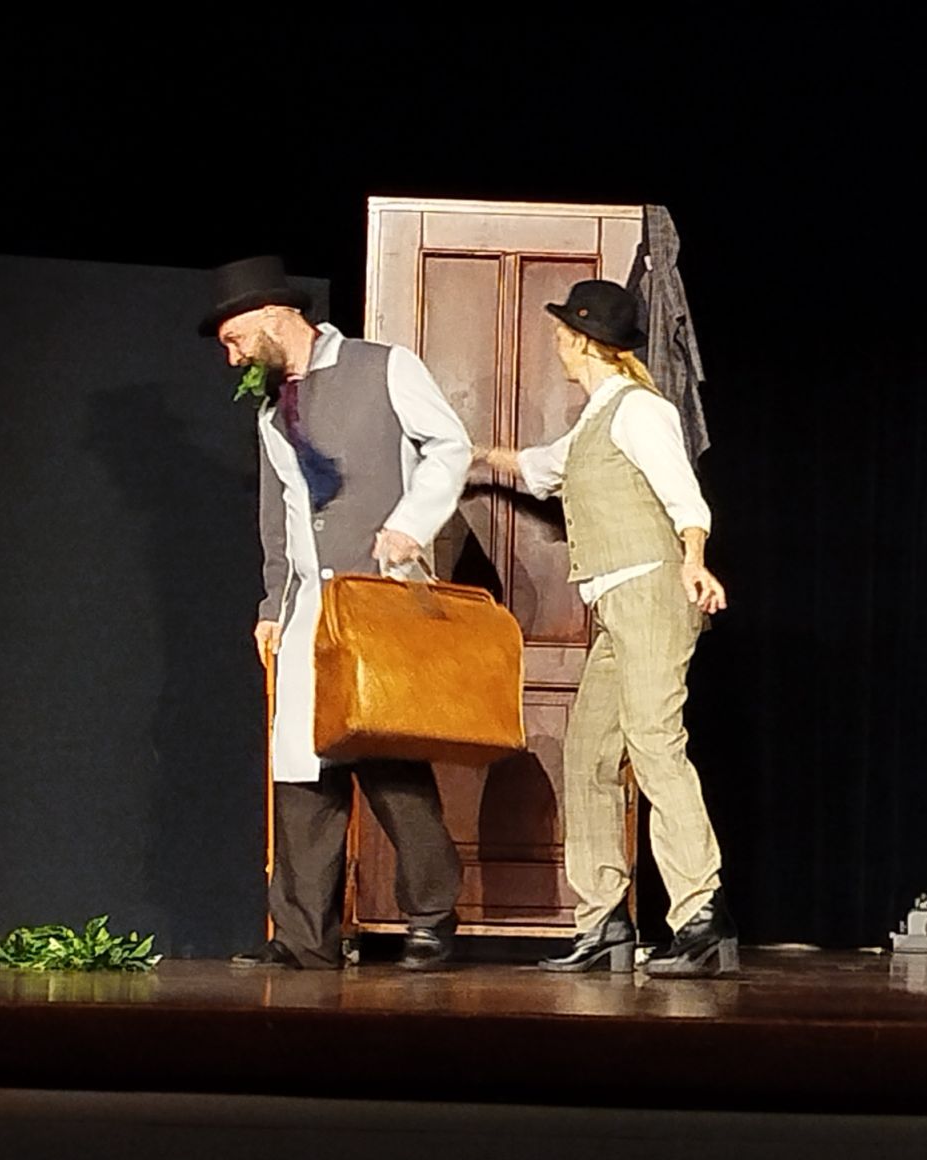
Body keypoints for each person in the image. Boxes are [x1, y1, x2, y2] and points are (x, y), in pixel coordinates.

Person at [199, 255, 471, 971]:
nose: (233, 358)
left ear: (270, 315)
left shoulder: (384, 367)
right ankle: (303, 938)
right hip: (309, 606)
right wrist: (272, 604)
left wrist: (412, 521)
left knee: (390, 759)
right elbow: (279, 513)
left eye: (234, 340)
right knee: (302, 771)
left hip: (381, 595)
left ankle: (431, 917)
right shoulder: (271, 407)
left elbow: (451, 446)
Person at [475, 279, 735, 978]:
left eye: (563, 335)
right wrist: (471, 457)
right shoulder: (596, 419)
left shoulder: (640, 410)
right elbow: (540, 468)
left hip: (651, 592)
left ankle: (700, 912)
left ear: (584, 342)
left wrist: (695, 561)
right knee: (587, 756)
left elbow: (685, 496)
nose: (557, 345)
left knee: (654, 743)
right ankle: (604, 920)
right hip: (615, 607)